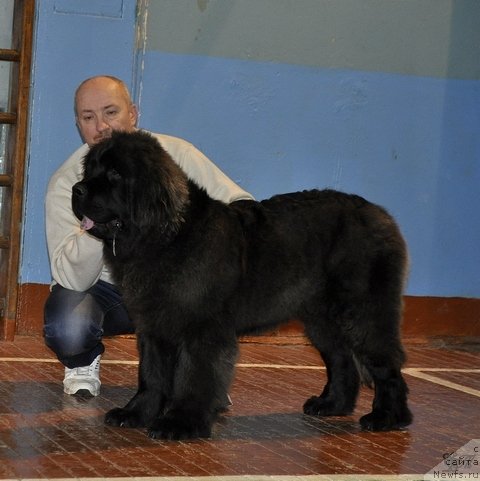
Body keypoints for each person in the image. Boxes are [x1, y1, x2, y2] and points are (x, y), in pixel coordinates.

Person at [44, 75, 254, 397]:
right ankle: (82, 361)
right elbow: (70, 279)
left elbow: (242, 206)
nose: (102, 126)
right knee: (66, 327)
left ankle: (198, 374)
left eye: (110, 112)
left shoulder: (174, 156)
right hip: (109, 292)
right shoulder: (66, 183)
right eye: (89, 117)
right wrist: (98, 221)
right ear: (78, 124)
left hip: (173, 288)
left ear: (133, 114)